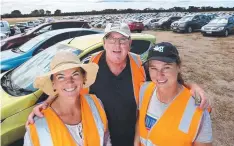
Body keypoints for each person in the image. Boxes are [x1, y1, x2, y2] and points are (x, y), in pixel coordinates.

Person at [27, 23, 210, 146]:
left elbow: (164, 79)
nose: (117, 44)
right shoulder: (92, 66)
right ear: (104, 43)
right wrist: (47, 103)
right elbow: (69, 86)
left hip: (133, 138)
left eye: (122, 40)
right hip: (100, 138)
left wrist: (191, 86)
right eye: (111, 39)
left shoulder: (139, 65)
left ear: (129, 43)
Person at [24, 51, 111, 146]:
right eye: (61, 77)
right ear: (53, 83)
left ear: (83, 77)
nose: (69, 82)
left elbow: (105, 140)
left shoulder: (96, 104)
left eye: (75, 74)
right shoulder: (38, 125)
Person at [135, 42, 212, 146]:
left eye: (166, 67)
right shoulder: (144, 89)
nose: (159, 75)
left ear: (178, 67)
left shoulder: (197, 109)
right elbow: (139, 125)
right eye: (153, 68)